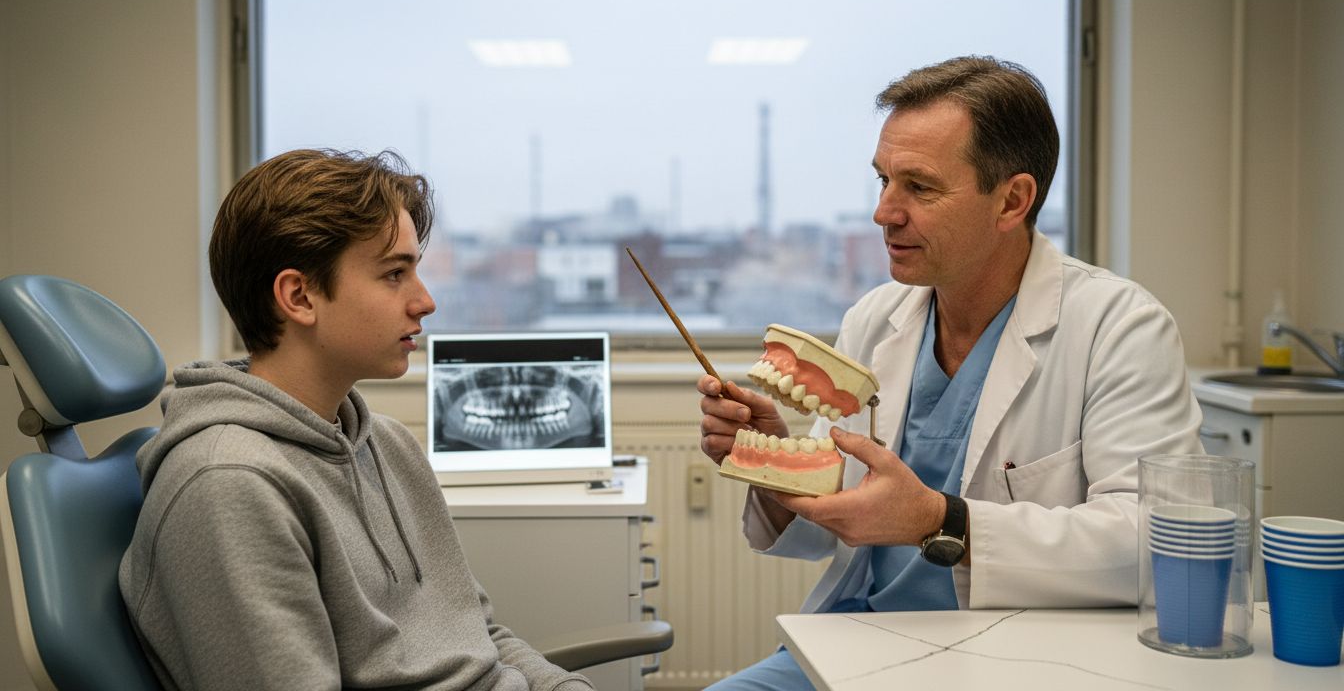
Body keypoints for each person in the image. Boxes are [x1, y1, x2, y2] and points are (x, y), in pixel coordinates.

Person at [696, 56, 1203, 689]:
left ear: (1012, 200)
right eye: (882, 180)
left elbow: (1161, 545)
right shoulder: (876, 320)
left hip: (1014, 658)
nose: (884, 212)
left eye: (920, 187)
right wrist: (772, 461)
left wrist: (941, 520)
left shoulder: (1118, 326)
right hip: (857, 638)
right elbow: (836, 522)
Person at [119, 149, 594, 690]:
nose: (426, 301)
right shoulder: (227, 484)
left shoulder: (386, 445)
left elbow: (480, 637)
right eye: (395, 274)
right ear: (298, 296)